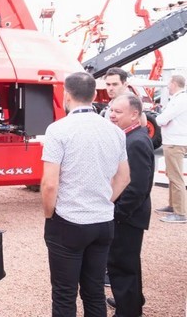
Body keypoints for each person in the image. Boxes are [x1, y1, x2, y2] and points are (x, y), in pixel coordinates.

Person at [41, 72, 130, 317]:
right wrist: (103, 201)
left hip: (68, 220)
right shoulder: (114, 131)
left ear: (66, 95)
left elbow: (50, 183)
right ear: (93, 95)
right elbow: (124, 177)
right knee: (94, 292)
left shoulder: (58, 129)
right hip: (103, 220)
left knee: (64, 293)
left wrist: (49, 213)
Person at [107, 94, 155, 316]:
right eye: (111, 110)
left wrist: (118, 214)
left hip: (128, 217)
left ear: (135, 114)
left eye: (118, 112)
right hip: (129, 215)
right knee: (128, 264)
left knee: (122, 265)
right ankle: (131, 302)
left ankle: (128, 311)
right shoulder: (130, 137)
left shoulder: (135, 142)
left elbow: (137, 187)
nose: (112, 115)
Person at [155, 74, 187, 223]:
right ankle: (173, 206)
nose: (168, 86)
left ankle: (180, 213)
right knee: (172, 175)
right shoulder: (180, 99)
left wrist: (160, 120)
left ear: (174, 83)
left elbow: (162, 119)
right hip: (175, 141)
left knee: (176, 177)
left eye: (169, 83)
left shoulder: (179, 99)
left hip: (174, 142)